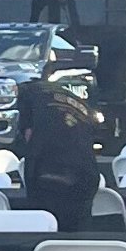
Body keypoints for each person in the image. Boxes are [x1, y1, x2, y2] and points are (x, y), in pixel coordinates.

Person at [16, 78, 104, 232]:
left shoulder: (28, 96)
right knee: (79, 232)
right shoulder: (74, 100)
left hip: (50, 170)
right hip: (87, 173)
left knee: (45, 228)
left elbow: (29, 133)